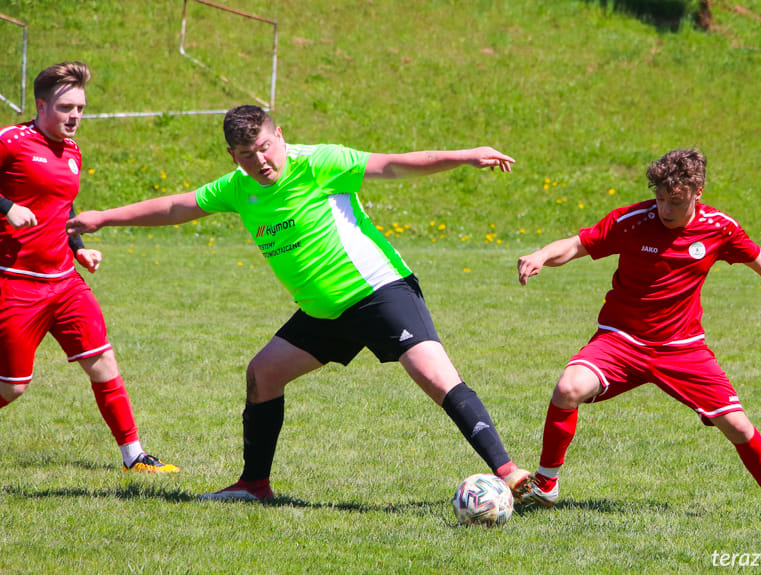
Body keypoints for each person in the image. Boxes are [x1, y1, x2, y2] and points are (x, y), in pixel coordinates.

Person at [67, 105, 532, 501]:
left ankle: (509, 473)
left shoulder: (319, 162)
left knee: (435, 377)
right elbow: (177, 207)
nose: (261, 161)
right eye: (247, 155)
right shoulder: (237, 186)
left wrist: (466, 156)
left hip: (378, 292)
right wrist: (105, 217)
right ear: (233, 156)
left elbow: (392, 165)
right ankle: (254, 484)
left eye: (266, 147)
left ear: (280, 135)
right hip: (323, 312)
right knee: (263, 373)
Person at [516, 149, 761, 518]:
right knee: (567, 388)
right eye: (660, 199)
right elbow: (578, 244)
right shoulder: (633, 220)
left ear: (697, 191)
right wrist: (542, 254)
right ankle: (545, 485)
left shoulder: (719, 228)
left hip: (681, 348)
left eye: (676, 201)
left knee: (736, 424)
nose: (666, 210)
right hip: (619, 340)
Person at [0, 61, 178, 473]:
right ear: (41, 105)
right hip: (16, 283)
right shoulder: (12, 140)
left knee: (103, 362)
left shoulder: (72, 150)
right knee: (12, 386)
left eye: (80, 107)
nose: (75, 116)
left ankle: (135, 457)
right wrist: (8, 207)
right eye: (66, 107)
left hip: (64, 282)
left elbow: (62, 205)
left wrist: (78, 247)